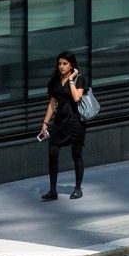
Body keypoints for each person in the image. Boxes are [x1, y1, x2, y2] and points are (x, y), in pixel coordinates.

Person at [37, 52, 89, 201]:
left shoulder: (79, 79)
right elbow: (52, 104)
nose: (61, 66)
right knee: (52, 153)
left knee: (76, 155)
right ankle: (53, 191)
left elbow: (76, 98)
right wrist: (45, 123)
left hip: (75, 122)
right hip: (59, 122)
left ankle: (78, 188)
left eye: (65, 64)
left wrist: (71, 79)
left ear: (71, 65)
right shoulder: (55, 81)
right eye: (59, 63)